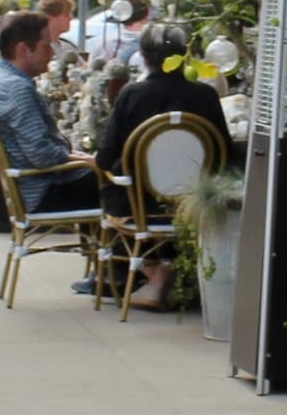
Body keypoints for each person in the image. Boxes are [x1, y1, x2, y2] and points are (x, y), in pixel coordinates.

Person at [91, 23, 225, 310]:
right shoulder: (206, 96)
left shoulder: (131, 95)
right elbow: (224, 153)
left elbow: (105, 158)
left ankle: (153, 272)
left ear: (143, 56)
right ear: (186, 55)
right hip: (194, 204)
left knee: (107, 181)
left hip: (139, 204)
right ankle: (176, 274)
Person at [0, 11, 101, 286]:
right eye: (47, 45)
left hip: (28, 186)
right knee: (119, 183)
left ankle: (105, 271)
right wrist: (78, 158)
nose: (52, 54)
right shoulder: (16, 89)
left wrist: (76, 157)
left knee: (103, 173)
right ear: (23, 49)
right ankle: (121, 272)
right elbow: (41, 154)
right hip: (42, 190)